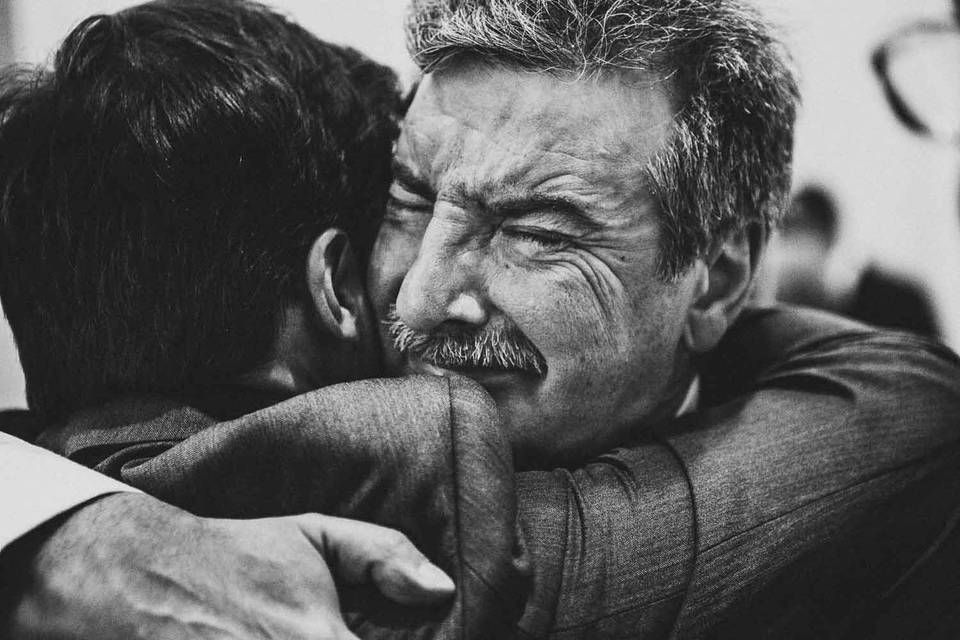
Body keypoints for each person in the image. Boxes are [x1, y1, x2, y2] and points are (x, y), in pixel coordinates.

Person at [2, 0, 959, 638]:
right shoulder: (318, 465)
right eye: (409, 200)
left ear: (714, 280)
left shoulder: (881, 466)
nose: (421, 297)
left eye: (537, 231)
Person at [774, 184, 940, 338]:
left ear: (829, 240)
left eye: (800, 238)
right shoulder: (790, 307)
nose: (792, 256)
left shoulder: (901, 301)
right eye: (788, 239)